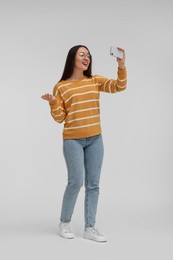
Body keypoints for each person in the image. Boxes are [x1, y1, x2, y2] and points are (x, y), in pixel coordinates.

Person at [41, 44, 127, 242]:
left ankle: (90, 227)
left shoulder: (94, 81)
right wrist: (53, 103)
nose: (86, 58)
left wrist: (121, 66)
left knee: (93, 185)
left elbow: (119, 86)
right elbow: (59, 118)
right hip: (73, 140)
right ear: (72, 58)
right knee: (76, 181)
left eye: (88, 55)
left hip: (96, 139)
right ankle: (64, 222)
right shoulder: (61, 86)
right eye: (82, 54)